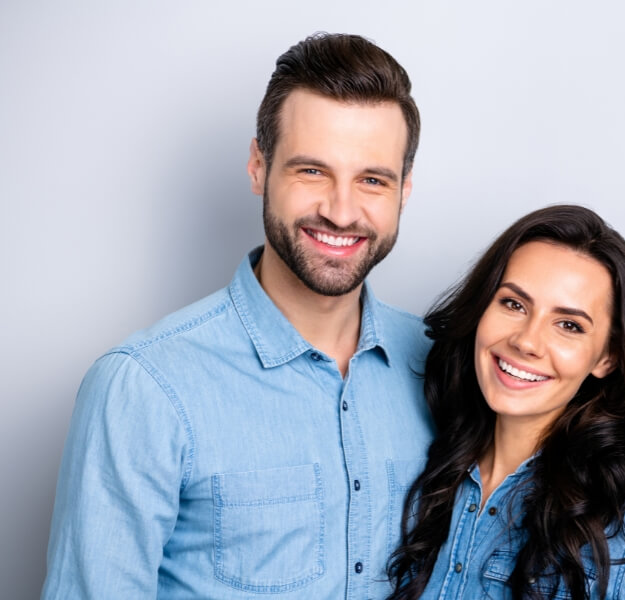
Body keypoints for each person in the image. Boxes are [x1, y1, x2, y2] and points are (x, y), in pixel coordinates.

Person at [42, 33, 434, 599]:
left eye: (372, 180)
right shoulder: (144, 388)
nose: (342, 211)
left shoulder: (443, 365)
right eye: (312, 172)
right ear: (258, 167)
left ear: (405, 190)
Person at [388, 205, 625, 599]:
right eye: (513, 304)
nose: (526, 341)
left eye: (569, 325)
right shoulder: (427, 464)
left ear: (607, 357)